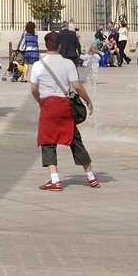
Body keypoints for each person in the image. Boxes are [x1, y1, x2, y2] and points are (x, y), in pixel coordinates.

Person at [30, 30, 99, 190]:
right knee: (75, 139)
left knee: (47, 141)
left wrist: (40, 101)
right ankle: (91, 176)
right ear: (59, 46)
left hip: (48, 106)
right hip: (64, 106)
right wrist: (88, 100)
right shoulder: (68, 63)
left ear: (46, 46)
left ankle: (55, 179)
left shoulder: (38, 65)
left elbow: (33, 89)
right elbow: (77, 86)